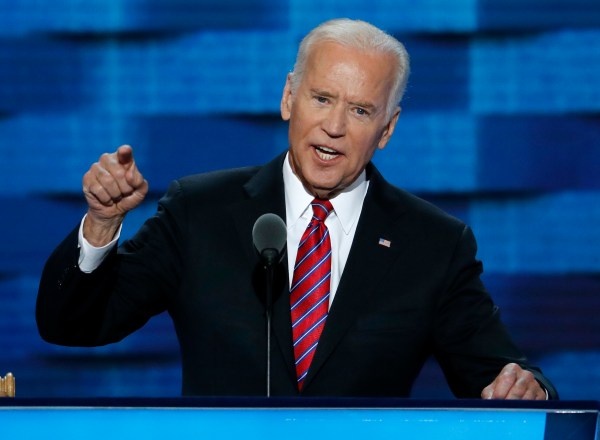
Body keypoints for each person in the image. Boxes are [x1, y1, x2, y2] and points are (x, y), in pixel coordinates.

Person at [36, 18, 557, 400]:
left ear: (388, 129)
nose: (334, 126)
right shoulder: (201, 212)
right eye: (322, 98)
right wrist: (103, 223)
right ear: (289, 97)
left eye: (359, 110)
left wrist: (524, 389)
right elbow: (73, 324)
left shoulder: (434, 245)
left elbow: (502, 377)